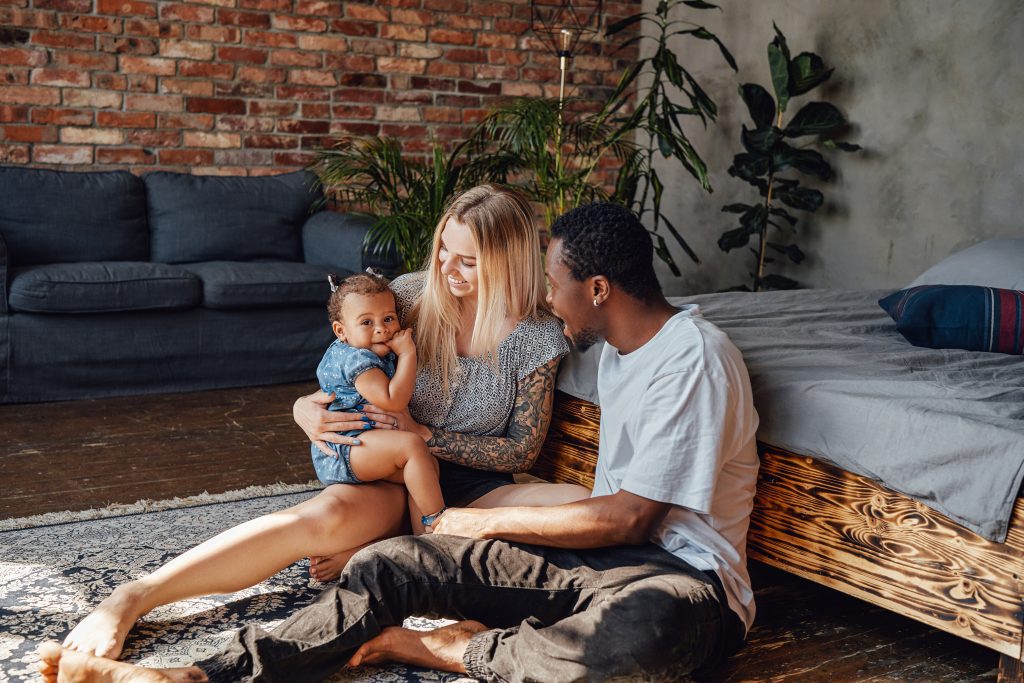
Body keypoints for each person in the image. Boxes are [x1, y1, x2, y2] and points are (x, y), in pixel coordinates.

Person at [41, 202, 760, 682]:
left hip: (682, 576)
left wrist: (469, 518)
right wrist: (306, 409)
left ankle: (450, 646)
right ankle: (199, 674)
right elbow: (338, 369)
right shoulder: (600, 346)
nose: (548, 293)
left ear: (598, 288)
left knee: (639, 638)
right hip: (559, 536)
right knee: (388, 563)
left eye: (556, 280)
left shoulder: (684, 355)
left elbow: (628, 515)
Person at [57, 184, 589, 662]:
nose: (447, 270)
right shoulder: (406, 298)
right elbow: (341, 373)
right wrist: (303, 408)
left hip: (475, 486)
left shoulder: (538, 339)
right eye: (443, 250)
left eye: (467, 261)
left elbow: (521, 452)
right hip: (385, 473)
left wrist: (429, 438)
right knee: (310, 523)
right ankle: (133, 597)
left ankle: (389, 548)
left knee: (579, 508)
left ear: (507, 259)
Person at [312, 271, 445, 530]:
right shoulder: (357, 360)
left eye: (388, 318)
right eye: (366, 322)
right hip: (346, 447)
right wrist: (407, 354)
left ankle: (425, 539)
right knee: (413, 447)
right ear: (341, 331)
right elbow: (391, 400)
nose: (381, 329)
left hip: (366, 443)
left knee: (427, 466)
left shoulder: (365, 352)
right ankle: (438, 521)